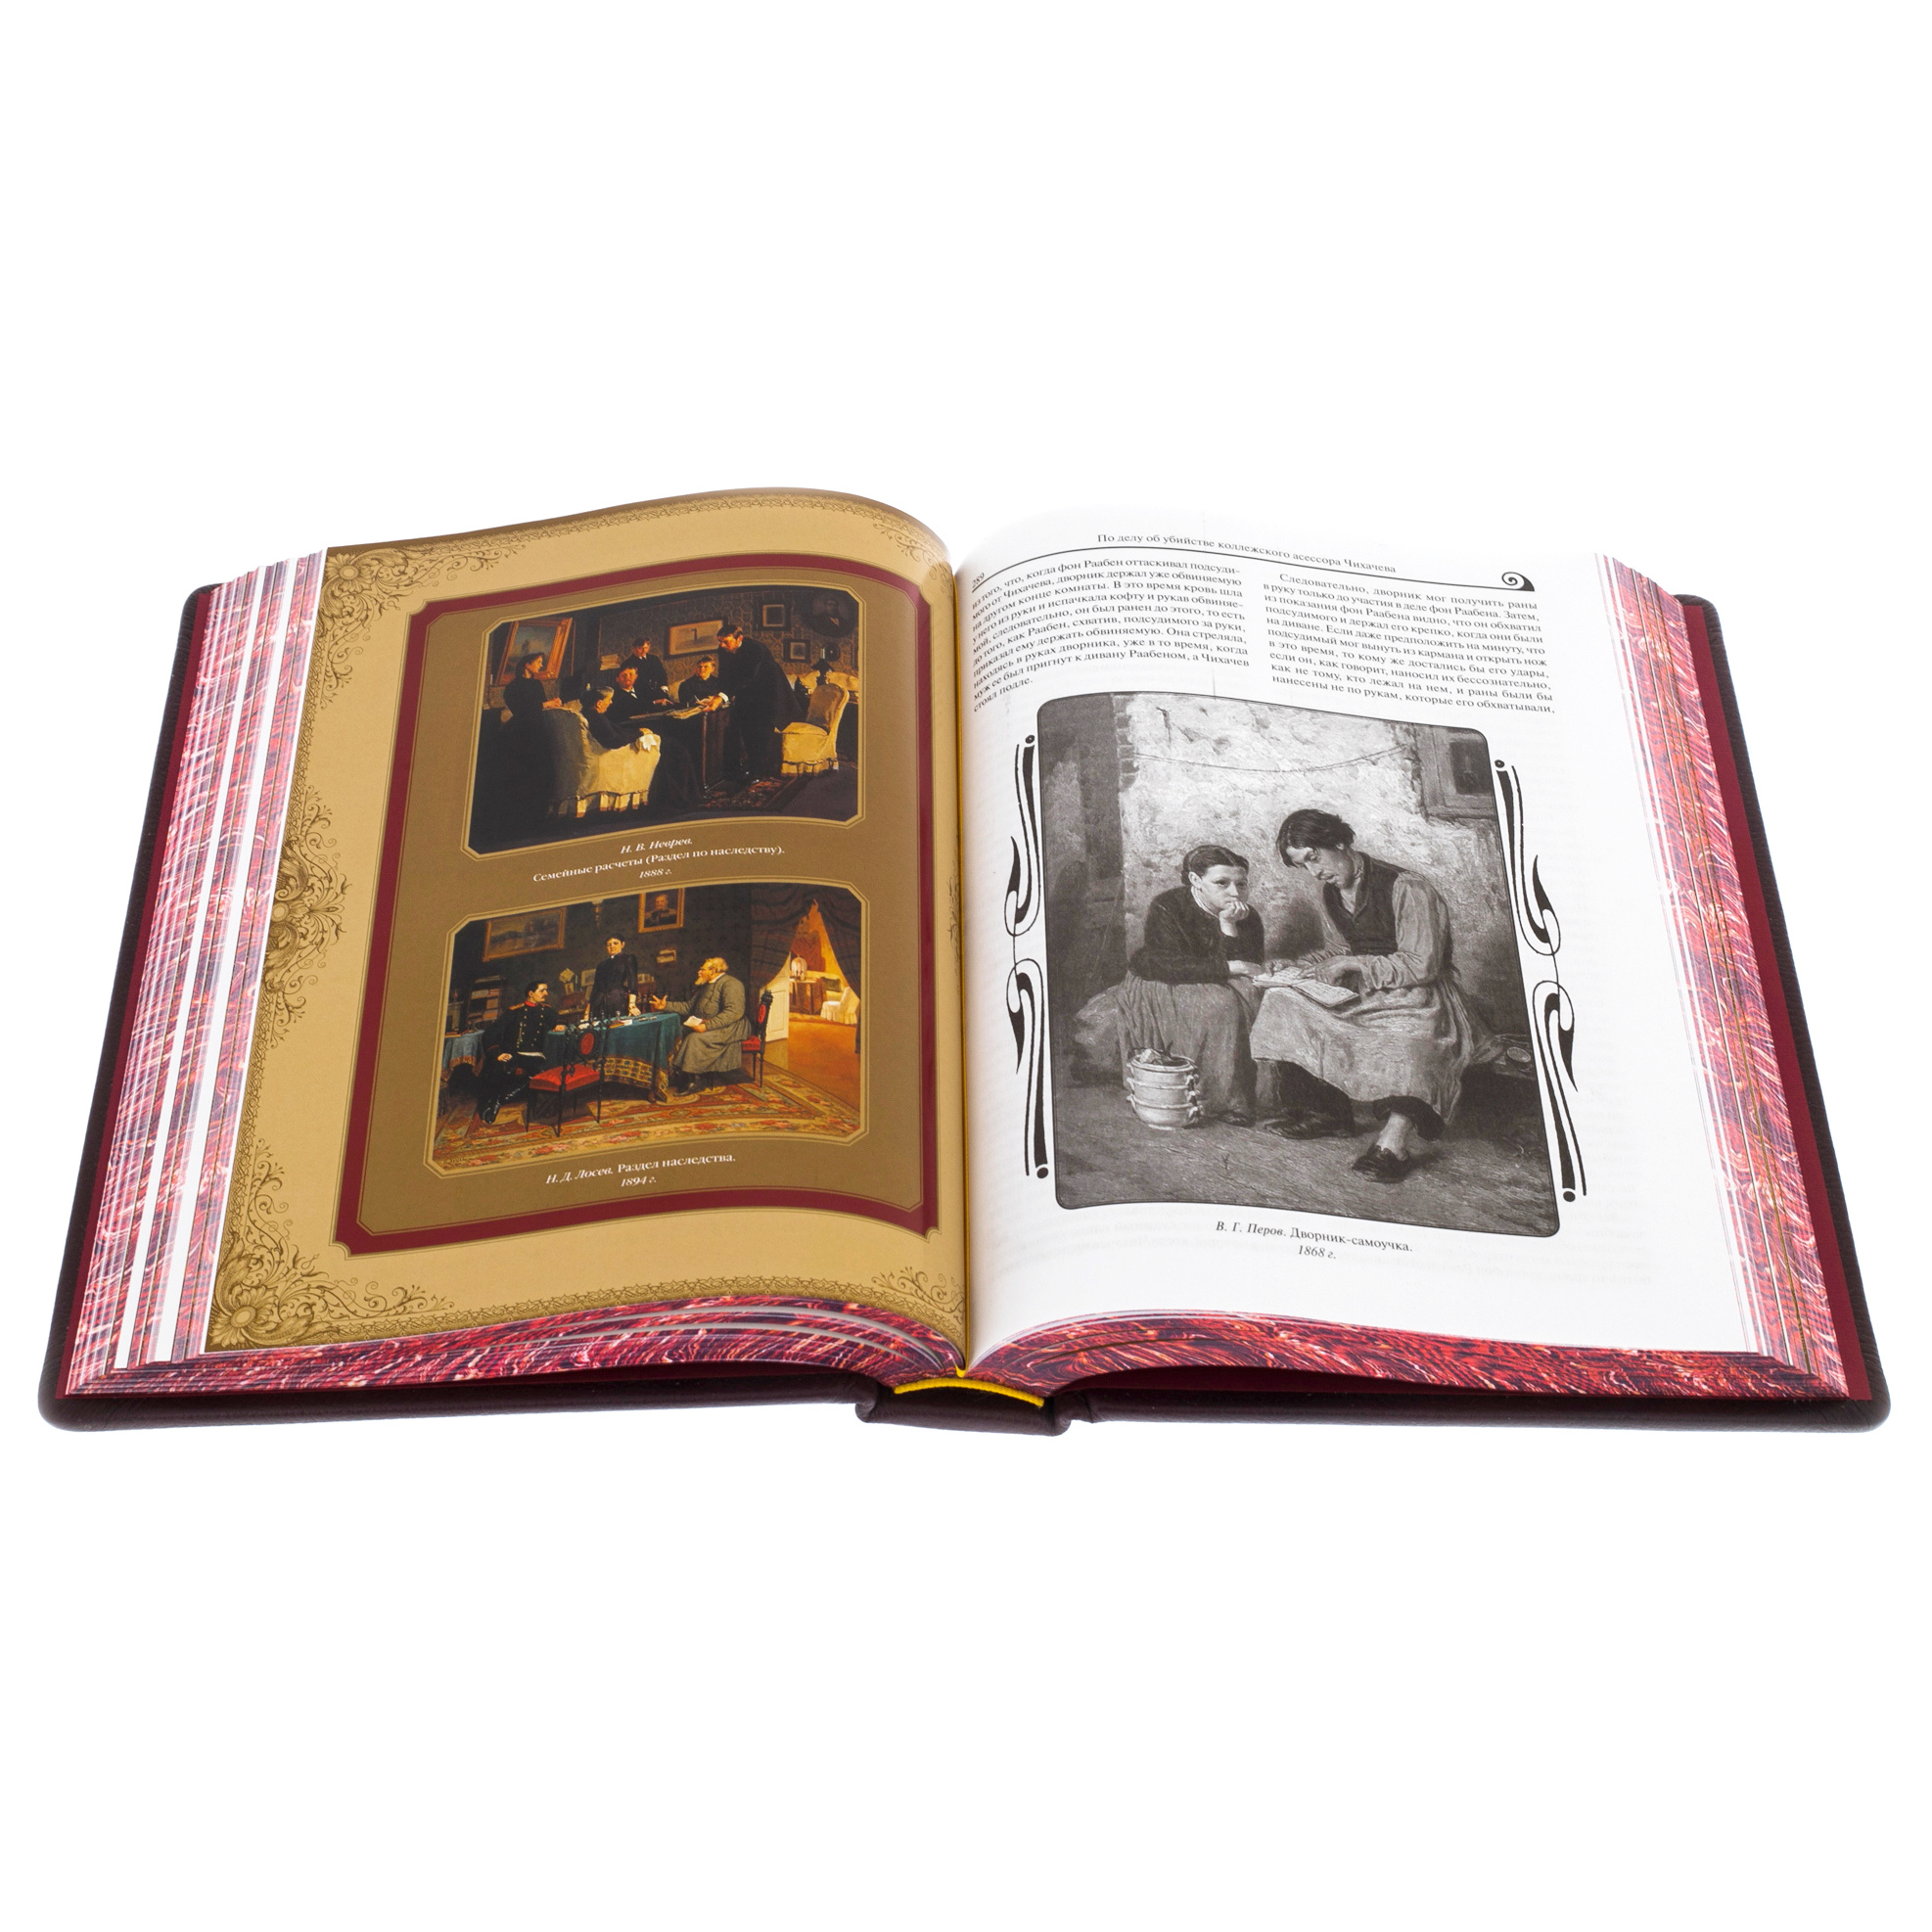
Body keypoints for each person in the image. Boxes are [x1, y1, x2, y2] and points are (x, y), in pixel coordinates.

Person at [1252, 807, 1488, 1182]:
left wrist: (1354, 964)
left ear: (1339, 843)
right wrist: (1296, 965)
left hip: (1417, 995)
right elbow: (1339, 948)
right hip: (1365, 991)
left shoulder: (1408, 887)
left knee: (1406, 1040)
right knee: (1283, 1000)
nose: (1314, 872)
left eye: (1314, 857)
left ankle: (1393, 1143)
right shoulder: (1332, 892)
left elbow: (1422, 965)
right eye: (1304, 865)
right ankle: (1327, 1113)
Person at [1115, 845, 1267, 1124]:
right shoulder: (1169, 906)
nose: (1235, 892)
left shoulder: (1248, 916)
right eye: (1222, 883)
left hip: (1215, 979)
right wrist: (1228, 967)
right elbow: (1165, 964)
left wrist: (1228, 926)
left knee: (1254, 996)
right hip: (1163, 982)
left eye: (1241, 884)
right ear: (1196, 880)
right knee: (1220, 1005)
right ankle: (1218, 1099)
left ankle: (1253, 1095)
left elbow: (1251, 964)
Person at [650, 955, 750, 1090]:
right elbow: (688, 1007)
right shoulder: (706, 985)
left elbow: (733, 1013)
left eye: (702, 969)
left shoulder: (732, 984)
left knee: (694, 1039)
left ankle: (693, 1081)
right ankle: (676, 1074)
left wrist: (707, 1026)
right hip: (708, 1024)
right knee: (678, 1031)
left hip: (731, 1027)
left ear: (713, 971)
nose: (699, 972)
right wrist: (665, 1005)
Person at [476, 980, 563, 1125]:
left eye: (546, 990)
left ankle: (500, 1099)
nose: (546, 993)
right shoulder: (514, 1012)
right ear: (531, 993)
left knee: (539, 1073)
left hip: (536, 1055)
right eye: (542, 990)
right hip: (515, 1053)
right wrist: (497, 1053)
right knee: (501, 1069)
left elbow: (560, 1018)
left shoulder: (546, 1010)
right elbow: (490, 1033)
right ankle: (493, 1103)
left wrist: (560, 1024)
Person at [715, 621, 789, 779]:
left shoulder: (755, 649)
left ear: (739, 639)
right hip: (746, 693)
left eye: (726, 642)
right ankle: (743, 770)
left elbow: (748, 676)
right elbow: (724, 675)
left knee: (760, 733)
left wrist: (723, 696)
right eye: (720, 641)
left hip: (767, 695)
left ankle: (758, 774)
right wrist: (719, 694)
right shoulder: (723, 650)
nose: (722, 645)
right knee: (742, 729)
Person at [587, 936, 639, 1019]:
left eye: (615, 943)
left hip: (618, 999)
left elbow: (632, 980)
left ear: (622, 944)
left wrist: (632, 1004)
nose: (612, 946)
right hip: (599, 1002)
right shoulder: (602, 964)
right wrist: (588, 1012)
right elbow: (596, 987)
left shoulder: (628, 958)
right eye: (609, 945)